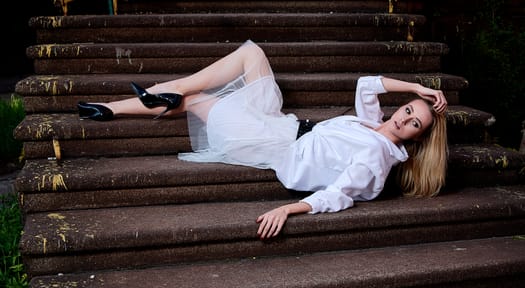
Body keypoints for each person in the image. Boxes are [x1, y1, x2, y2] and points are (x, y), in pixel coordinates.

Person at [78, 40, 448, 240]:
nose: (406, 118)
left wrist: (288, 209)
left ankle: (111, 108)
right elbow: (367, 85)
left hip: (276, 143)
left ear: (417, 137)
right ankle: (150, 99)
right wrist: (417, 85)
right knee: (251, 52)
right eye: (408, 109)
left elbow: (339, 195)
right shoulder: (373, 124)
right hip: (284, 124)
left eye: (415, 123)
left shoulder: (377, 158)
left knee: (193, 98)